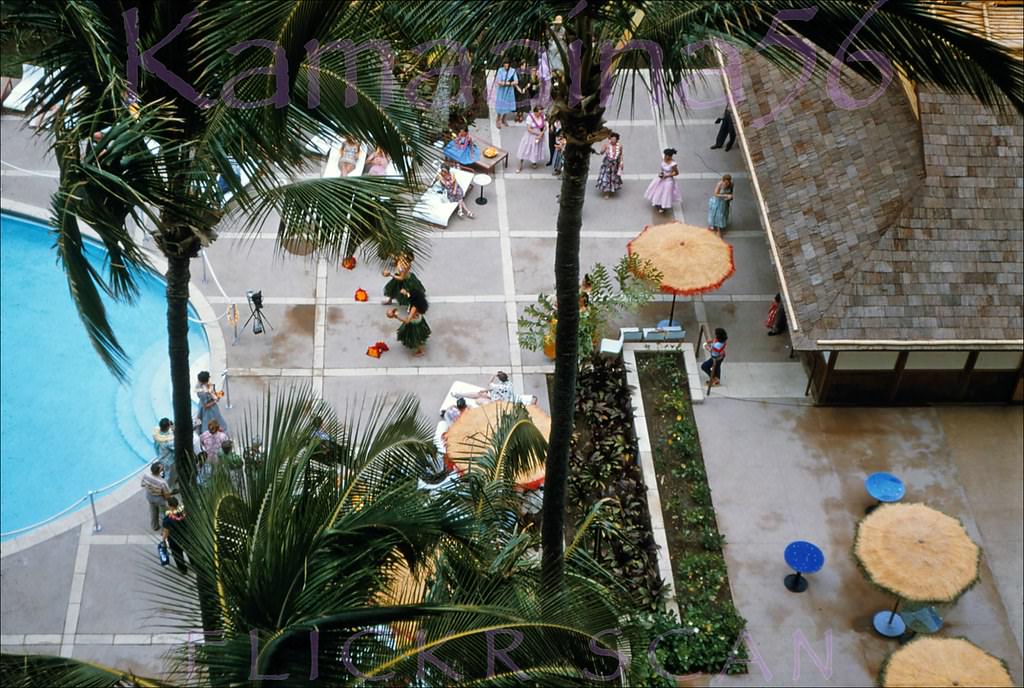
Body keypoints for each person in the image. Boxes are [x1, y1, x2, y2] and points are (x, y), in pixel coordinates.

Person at [388, 288, 431, 356]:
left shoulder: (414, 308)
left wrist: (396, 317)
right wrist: (405, 292)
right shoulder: (418, 301)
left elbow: (407, 321)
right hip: (419, 319)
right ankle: (420, 348)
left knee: (415, 338)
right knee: (417, 337)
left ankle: (420, 351)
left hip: (414, 324)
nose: (409, 295)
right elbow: (410, 296)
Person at [644, 148, 681, 213]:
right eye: (665, 155)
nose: (665, 157)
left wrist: (667, 175)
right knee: (658, 190)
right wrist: (661, 173)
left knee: (665, 193)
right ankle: (657, 202)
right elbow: (662, 168)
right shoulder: (664, 159)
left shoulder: (673, 164)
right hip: (661, 177)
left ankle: (663, 207)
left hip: (668, 180)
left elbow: (676, 173)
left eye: (667, 156)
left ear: (670, 156)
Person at [141, 462, 171, 531]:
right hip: (159, 499)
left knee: (153, 512)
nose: (162, 467)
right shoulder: (162, 482)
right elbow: (166, 495)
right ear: (159, 471)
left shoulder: (146, 475)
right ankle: (165, 528)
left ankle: (155, 526)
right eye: (161, 468)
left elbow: (143, 485)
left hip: (149, 496)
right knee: (165, 513)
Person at [516, 105, 547, 173]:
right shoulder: (530, 117)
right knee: (525, 149)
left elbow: (545, 127)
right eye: (539, 113)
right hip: (530, 136)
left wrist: (541, 134)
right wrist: (537, 134)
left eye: (541, 112)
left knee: (536, 149)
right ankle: (520, 165)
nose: (540, 114)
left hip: (539, 136)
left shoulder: (542, 116)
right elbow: (529, 129)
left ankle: (534, 162)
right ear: (535, 112)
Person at [161, 496, 188, 573]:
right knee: (190, 552)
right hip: (186, 536)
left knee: (178, 556)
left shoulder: (167, 520)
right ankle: (194, 564)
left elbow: (166, 532)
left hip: (174, 540)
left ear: (170, 506)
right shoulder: (183, 513)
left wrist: (163, 540)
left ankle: (183, 570)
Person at [195, 371, 227, 435]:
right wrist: (216, 400)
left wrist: (215, 394)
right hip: (208, 407)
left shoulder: (200, 385)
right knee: (208, 421)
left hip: (206, 403)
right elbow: (206, 406)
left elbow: (211, 390)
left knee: (202, 419)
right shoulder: (202, 392)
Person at [595, 132, 624, 198]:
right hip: (607, 165)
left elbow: (621, 154)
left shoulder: (620, 146)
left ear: (617, 140)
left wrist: (621, 163)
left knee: (613, 178)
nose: (613, 141)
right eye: (612, 139)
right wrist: (603, 150)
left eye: (614, 139)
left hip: (615, 165)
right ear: (610, 139)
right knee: (606, 178)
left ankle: (612, 188)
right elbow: (601, 152)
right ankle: (606, 192)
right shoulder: (606, 145)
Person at [153, 417, 175, 489]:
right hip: (168, 461)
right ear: (168, 427)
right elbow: (175, 447)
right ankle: (166, 488)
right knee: (169, 476)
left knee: (165, 471)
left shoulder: (157, 434)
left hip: (160, 456)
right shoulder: (168, 441)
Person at [494, 60, 518, 129]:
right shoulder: (500, 70)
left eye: (507, 65)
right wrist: (509, 83)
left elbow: (516, 81)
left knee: (507, 106)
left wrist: (506, 83)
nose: (506, 66)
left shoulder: (513, 71)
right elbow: (499, 82)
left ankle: (503, 119)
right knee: (500, 106)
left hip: (509, 91)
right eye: (505, 65)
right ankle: (498, 120)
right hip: (501, 91)